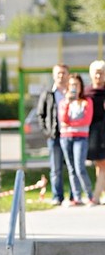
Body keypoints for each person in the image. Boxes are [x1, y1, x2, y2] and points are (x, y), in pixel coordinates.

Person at [38, 64, 71, 206]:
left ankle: (74, 196)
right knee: (56, 168)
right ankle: (57, 196)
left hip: (71, 136)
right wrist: (47, 132)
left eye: (63, 73)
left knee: (73, 167)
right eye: (58, 73)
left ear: (68, 75)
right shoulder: (48, 94)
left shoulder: (73, 93)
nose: (61, 76)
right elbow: (41, 114)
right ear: (53, 75)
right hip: (55, 137)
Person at [58, 74, 94, 205]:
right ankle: (76, 197)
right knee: (71, 168)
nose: (74, 88)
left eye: (76, 85)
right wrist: (68, 103)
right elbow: (63, 120)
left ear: (81, 87)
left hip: (81, 137)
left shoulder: (86, 102)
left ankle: (90, 196)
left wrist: (72, 124)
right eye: (71, 85)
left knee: (80, 167)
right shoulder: (64, 102)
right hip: (66, 137)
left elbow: (86, 120)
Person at [85, 60, 105, 204]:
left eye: (102, 72)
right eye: (96, 73)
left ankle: (96, 196)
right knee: (99, 164)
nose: (99, 75)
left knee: (103, 164)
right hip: (94, 132)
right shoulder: (86, 92)